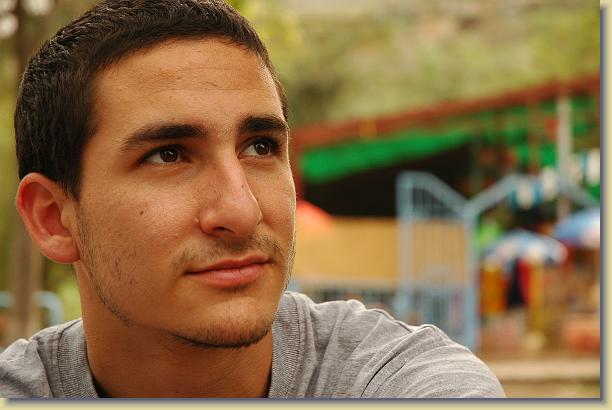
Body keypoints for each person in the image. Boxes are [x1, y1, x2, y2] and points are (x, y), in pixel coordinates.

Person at [0, 0, 505, 398]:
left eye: (260, 147)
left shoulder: (397, 380)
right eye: (168, 155)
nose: (242, 211)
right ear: (54, 219)